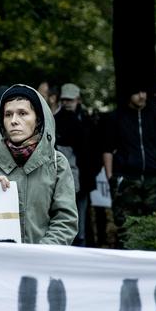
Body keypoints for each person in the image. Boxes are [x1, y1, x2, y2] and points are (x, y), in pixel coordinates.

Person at [0, 84, 78, 245]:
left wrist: (39, 254)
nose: (14, 121)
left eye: (23, 113)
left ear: (38, 119)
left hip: (40, 264)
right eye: (8, 114)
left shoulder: (57, 163)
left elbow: (65, 221)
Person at [102, 87, 156, 241]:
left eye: (144, 92)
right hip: (127, 179)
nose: (142, 96)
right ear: (128, 95)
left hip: (155, 179)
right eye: (137, 92)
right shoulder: (116, 117)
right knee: (126, 229)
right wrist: (111, 177)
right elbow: (107, 148)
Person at [55, 83, 98, 247]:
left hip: (84, 179)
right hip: (66, 180)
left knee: (82, 226)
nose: (66, 102)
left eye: (70, 99)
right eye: (64, 99)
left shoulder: (87, 119)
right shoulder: (57, 120)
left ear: (78, 100)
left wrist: (92, 171)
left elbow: (95, 149)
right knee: (69, 224)